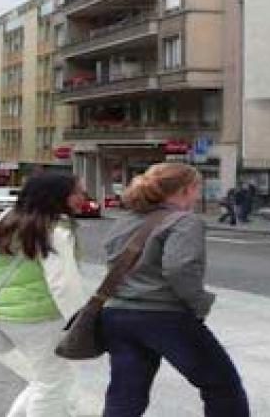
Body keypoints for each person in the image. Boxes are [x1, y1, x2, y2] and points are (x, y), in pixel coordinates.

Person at [101, 163, 249, 417]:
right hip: (164, 315)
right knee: (222, 387)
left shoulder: (127, 220)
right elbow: (180, 268)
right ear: (186, 189)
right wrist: (200, 303)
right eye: (196, 188)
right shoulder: (184, 221)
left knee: (126, 395)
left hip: (117, 314)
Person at [0, 171, 89, 417]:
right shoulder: (55, 231)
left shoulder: (5, 221)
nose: (83, 197)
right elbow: (63, 283)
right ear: (58, 196)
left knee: (45, 378)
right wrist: (80, 321)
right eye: (77, 192)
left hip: (7, 313)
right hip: (40, 317)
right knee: (55, 384)